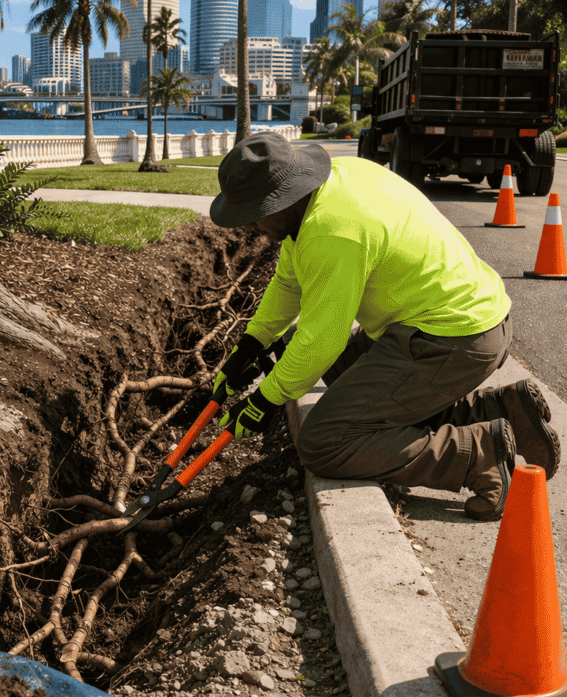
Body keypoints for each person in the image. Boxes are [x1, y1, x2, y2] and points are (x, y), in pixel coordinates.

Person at [209, 130, 559, 522]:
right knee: (341, 373)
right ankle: (504, 409)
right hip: (466, 322)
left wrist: (265, 400)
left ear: (282, 201)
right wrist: (250, 344)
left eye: (254, 214)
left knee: (325, 441)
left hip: (455, 340)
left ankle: (479, 454)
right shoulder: (333, 182)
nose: (251, 226)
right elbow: (289, 284)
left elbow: (323, 339)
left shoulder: (331, 230)